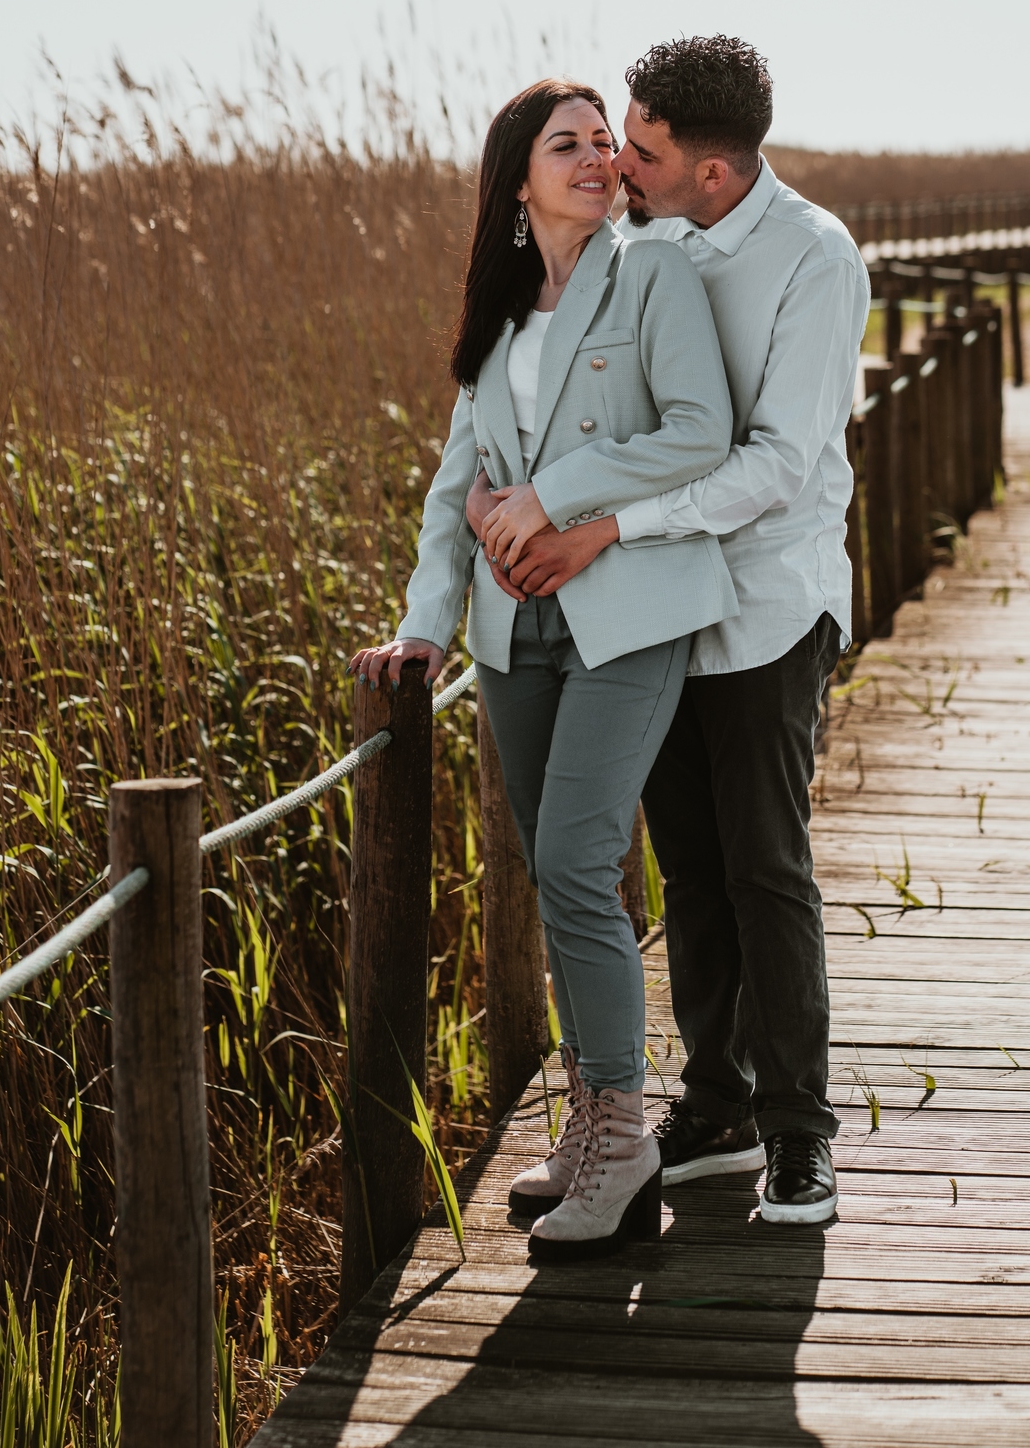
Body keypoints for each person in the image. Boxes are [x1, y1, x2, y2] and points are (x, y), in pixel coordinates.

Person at [479, 37, 871, 1226]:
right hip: (659, 610)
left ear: (710, 170)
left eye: (640, 149)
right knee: (689, 864)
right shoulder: (645, 246)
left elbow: (774, 465)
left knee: (765, 861)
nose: (621, 164)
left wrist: (601, 526)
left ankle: (801, 1133)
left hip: (766, 600)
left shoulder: (813, 258)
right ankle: (714, 1102)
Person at [350, 77, 736, 1261]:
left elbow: (699, 431)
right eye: (563, 143)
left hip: (630, 616)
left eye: (601, 140)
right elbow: (449, 486)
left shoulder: (656, 270)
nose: (594, 155)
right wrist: (425, 622)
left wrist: (550, 496)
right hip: (515, 632)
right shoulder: (504, 312)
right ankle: (590, 1113)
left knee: (575, 855)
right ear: (517, 179)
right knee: (560, 872)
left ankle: (622, 1138)